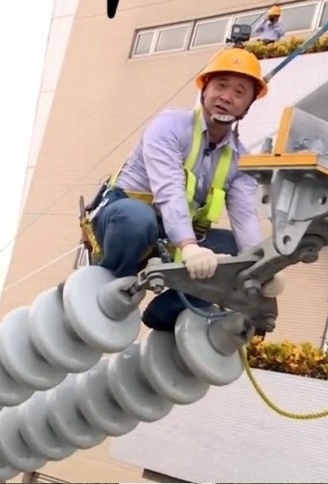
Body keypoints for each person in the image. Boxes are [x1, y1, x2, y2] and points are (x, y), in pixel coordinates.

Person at [84, 47, 285, 333]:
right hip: (124, 221)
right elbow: (169, 191)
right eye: (220, 86)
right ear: (205, 88)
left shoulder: (240, 160)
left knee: (235, 255)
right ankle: (111, 286)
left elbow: (246, 220)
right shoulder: (168, 127)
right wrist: (189, 247)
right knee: (137, 217)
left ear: (248, 106)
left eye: (239, 92)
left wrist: (263, 269)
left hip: (171, 235)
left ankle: (166, 317)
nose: (226, 97)